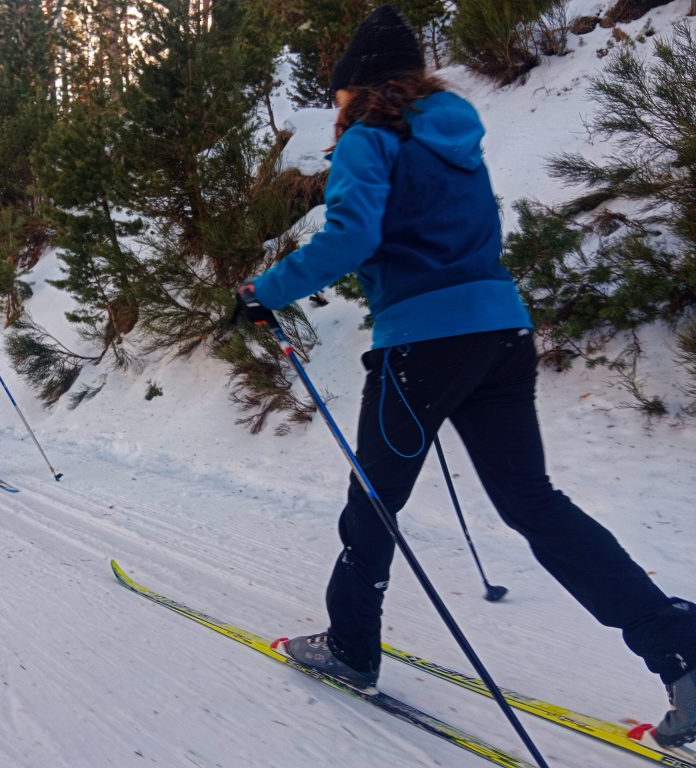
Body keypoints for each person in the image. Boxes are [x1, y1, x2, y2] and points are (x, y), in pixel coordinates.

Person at [234, 5, 696, 749]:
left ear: (356, 85)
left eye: (337, 93)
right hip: (501, 331)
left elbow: (350, 237)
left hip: (422, 345)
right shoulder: (457, 136)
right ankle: (679, 646)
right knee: (532, 502)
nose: (335, 106)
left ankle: (351, 647)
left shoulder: (367, 138)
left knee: (375, 500)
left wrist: (264, 291)